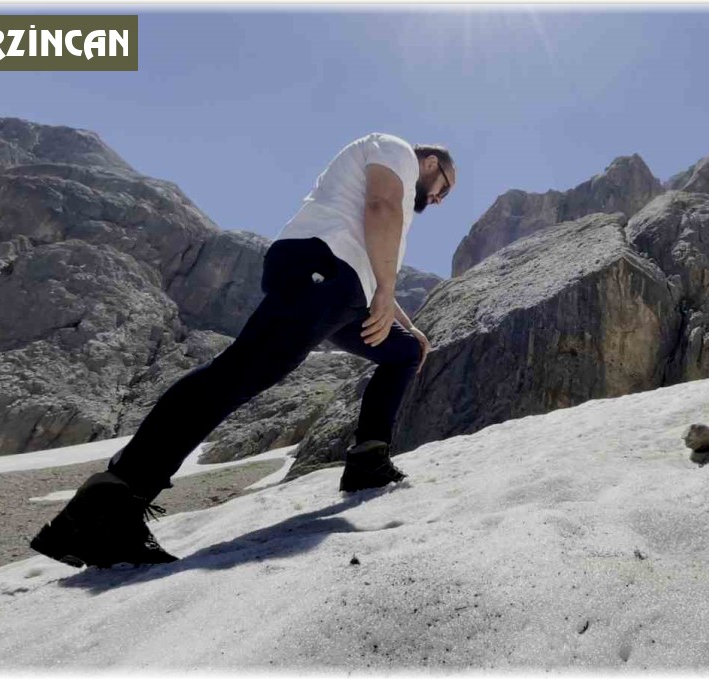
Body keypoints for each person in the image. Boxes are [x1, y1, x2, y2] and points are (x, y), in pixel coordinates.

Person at [29, 133, 456, 568]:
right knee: (237, 375)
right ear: (431, 163)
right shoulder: (396, 150)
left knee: (403, 353)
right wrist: (384, 290)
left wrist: (407, 325)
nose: (440, 199)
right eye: (445, 187)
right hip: (324, 269)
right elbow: (379, 209)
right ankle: (109, 504)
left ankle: (368, 461)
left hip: (343, 289)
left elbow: (371, 254)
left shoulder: (392, 189)